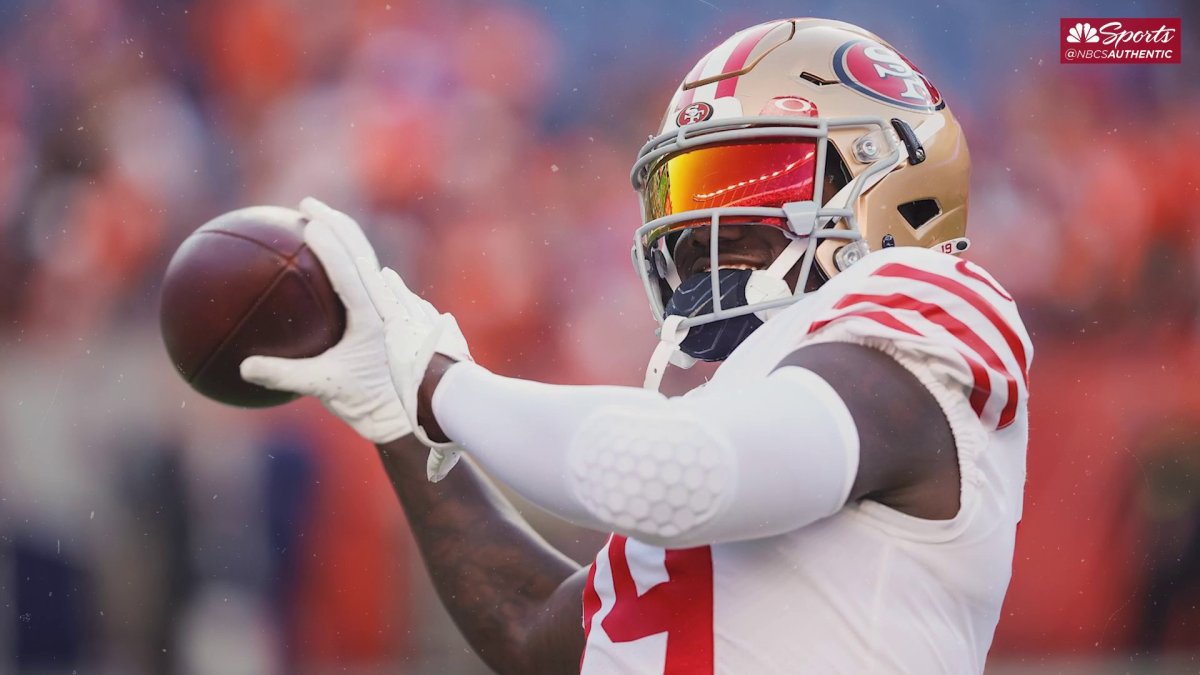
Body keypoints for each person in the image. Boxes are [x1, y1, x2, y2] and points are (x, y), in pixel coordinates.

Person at [240, 18, 1032, 674]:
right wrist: (395, 417)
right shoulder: (743, 404)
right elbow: (536, 631)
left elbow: (678, 473)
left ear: (890, 181)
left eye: (752, 180)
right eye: (685, 191)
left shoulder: (924, 303)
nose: (698, 227)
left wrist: (434, 381)